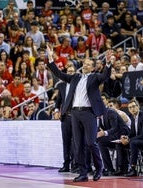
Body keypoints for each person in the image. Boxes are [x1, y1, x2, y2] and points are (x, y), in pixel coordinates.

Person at [46, 45, 113, 182]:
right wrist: (51, 58)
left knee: (90, 142)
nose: (85, 65)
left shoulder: (95, 77)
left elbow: (106, 75)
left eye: (89, 64)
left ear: (93, 67)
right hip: (75, 113)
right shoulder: (75, 77)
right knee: (78, 144)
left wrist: (108, 63)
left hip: (88, 113)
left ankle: (99, 168)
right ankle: (82, 173)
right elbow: (59, 74)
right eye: (85, 63)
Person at [118, 99, 143, 177]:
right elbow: (132, 133)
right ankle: (122, 168)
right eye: (130, 108)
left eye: (133, 106)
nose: (132, 109)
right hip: (137, 140)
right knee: (119, 144)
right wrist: (126, 137)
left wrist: (129, 140)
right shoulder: (131, 117)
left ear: (138, 106)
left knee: (133, 143)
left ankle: (133, 169)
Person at [96, 107, 130, 176]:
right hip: (112, 135)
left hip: (121, 132)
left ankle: (119, 168)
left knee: (101, 140)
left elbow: (115, 128)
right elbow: (99, 129)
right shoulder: (99, 117)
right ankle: (109, 168)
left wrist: (104, 133)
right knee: (100, 142)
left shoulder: (110, 112)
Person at [55, 66, 76, 173]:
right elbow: (58, 100)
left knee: (76, 142)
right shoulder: (61, 85)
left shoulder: (78, 84)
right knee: (66, 142)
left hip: (76, 117)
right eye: (69, 71)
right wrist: (56, 111)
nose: (70, 73)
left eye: (72, 71)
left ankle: (75, 164)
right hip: (65, 117)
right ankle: (66, 164)